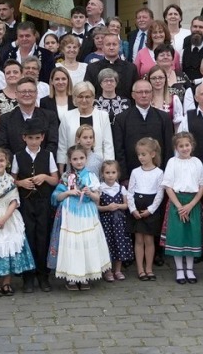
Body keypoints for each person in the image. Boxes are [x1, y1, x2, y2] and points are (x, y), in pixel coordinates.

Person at [48, 145, 112, 291]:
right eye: (75, 159)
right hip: (70, 214)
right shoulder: (66, 177)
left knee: (86, 242)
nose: (79, 161)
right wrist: (68, 193)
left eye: (81, 158)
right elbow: (56, 197)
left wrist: (89, 193)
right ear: (70, 160)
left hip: (87, 214)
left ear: (86, 158)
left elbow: (97, 198)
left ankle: (86, 275)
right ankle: (71, 277)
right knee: (72, 243)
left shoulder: (91, 176)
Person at [0, 148, 36, 297]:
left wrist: (4, 218)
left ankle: (7, 282)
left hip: (8, 217)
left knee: (9, 247)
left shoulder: (10, 180)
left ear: (7, 162)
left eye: (1, 160)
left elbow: (14, 201)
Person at [12, 118, 60, 293]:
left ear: (42, 138)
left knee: (43, 236)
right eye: (30, 138)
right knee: (28, 236)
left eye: (37, 138)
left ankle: (43, 275)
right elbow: (11, 180)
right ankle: (28, 276)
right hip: (26, 202)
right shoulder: (18, 156)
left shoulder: (48, 155)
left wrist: (45, 177)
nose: (34, 141)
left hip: (43, 202)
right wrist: (21, 183)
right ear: (24, 138)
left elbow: (55, 180)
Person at [112, 79, 173, 180]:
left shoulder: (163, 117)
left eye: (147, 92)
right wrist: (124, 177)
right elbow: (119, 150)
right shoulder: (121, 119)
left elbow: (168, 148)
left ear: (152, 94)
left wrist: (166, 174)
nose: (144, 95)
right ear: (133, 95)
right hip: (131, 175)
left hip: (159, 174)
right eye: (140, 92)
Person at [127, 138, 165, 282]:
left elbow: (160, 193)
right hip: (137, 206)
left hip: (150, 209)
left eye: (144, 154)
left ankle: (149, 268)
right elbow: (130, 192)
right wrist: (132, 209)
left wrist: (151, 209)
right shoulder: (135, 172)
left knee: (149, 239)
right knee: (138, 239)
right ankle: (140, 269)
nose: (141, 157)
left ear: (153, 154)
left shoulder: (159, 173)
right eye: (139, 154)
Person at [0, 77, 59, 156]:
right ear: (16, 94)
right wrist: (19, 161)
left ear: (36, 94)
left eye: (31, 91)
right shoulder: (5, 119)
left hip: (44, 162)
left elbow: (52, 143)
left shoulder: (50, 116)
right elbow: (3, 147)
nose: (27, 94)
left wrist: (40, 160)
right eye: (23, 91)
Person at [57, 81, 113, 167]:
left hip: (97, 165)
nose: (84, 100)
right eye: (80, 97)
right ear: (75, 98)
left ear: (93, 97)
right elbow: (62, 145)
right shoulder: (67, 116)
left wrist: (108, 167)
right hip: (73, 166)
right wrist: (61, 168)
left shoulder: (103, 116)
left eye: (87, 97)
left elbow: (108, 145)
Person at [98, 160, 133, 282]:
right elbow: (97, 207)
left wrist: (118, 206)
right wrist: (107, 208)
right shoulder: (100, 188)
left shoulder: (121, 188)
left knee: (119, 243)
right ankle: (107, 271)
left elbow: (126, 205)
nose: (110, 175)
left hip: (119, 223)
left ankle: (118, 270)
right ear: (102, 174)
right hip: (106, 222)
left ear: (118, 173)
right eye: (107, 172)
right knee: (107, 244)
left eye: (113, 172)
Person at [84, 33, 138, 98]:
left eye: (114, 44)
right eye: (108, 44)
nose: (111, 47)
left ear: (119, 46)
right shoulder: (92, 68)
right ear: (102, 47)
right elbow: (88, 93)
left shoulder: (131, 68)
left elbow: (136, 92)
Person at [0, 59, 22, 132]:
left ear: (22, 75)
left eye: (15, 72)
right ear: (4, 76)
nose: (12, 75)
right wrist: (5, 136)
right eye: (8, 73)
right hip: (2, 136)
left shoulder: (28, 94)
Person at [148, 64, 185, 129]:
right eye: (154, 78)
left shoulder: (174, 99)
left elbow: (178, 125)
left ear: (165, 79)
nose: (157, 81)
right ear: (149, 80)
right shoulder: (146, 100)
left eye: (160, 77)